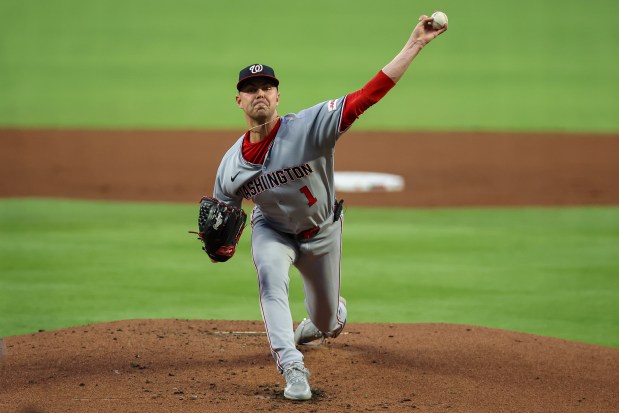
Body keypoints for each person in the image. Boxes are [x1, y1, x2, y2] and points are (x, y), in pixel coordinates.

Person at [210, 14, 447, 401]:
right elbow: (221, 214)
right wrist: (218, 243)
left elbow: (368, 94)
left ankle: (325, 318)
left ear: (277, 96)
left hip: (321, 234)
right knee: (271, 280)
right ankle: (293, 368)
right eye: (250, 89)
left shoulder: (309, 126)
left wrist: (415, 44)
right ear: (239, 100)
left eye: (267, 87)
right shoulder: (230, 165)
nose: (260, 93)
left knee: (329, 323)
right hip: (271, 230)